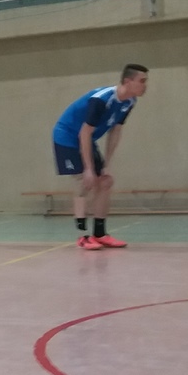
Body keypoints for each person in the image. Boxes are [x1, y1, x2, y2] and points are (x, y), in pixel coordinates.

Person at [51, 64, 149, 249]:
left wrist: (106, 165)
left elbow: (115, 131)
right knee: (84, 181)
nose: (145, 86)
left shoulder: (130, 102)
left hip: (86, 138)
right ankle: (82, 236)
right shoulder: (101, 100)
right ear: (128, 81)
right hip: (67, 136)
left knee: (105, 181)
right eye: (142, 81)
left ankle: (100, 234)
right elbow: (84, 132)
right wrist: (88, 169)